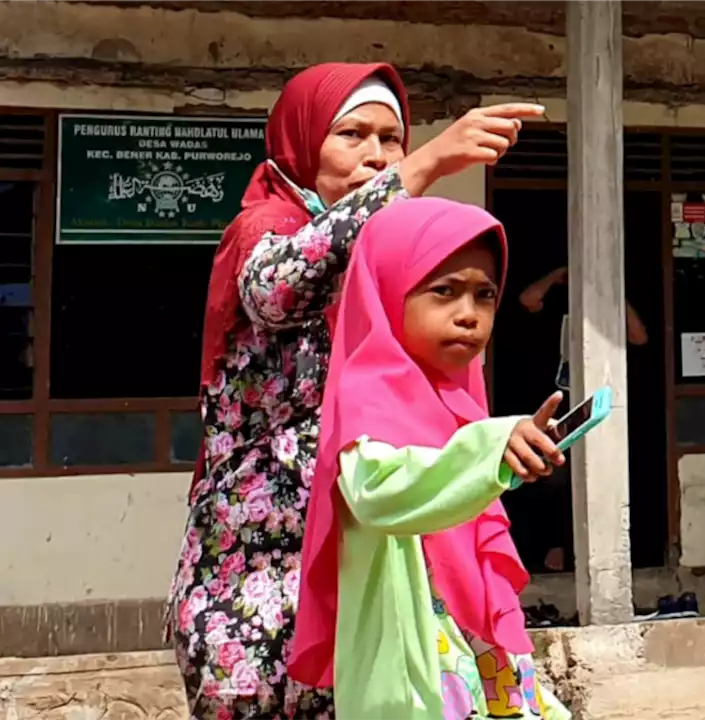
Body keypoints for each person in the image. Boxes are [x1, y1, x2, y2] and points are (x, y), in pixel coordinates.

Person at [167, 61, 544, 718]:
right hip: (258, 572)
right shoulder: (265, 227)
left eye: (392, 138)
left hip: (361, 562)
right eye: (352, 134)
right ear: (303, 140)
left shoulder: (380, 249)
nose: (376, 155)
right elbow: (277, 292)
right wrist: (421, 167)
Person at [288, 197, 570, 719]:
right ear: (389, 290)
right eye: (444, 292)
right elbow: (379, 492)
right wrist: (489, 450)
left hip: (479, 657)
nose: (468, 315)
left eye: (485, 296)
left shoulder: (461, 399)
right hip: (417, 659)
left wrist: (504, 452)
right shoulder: (367, 394)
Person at [516, 266, 649, 572]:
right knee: (552, 477)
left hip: (598, 407)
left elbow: (639, 337)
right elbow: (527, 299)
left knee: (601, 477)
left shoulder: (606, 308)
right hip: (557, 406)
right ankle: (555, 549)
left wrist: (613, 293)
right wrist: (558, 276)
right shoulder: (557, 301)